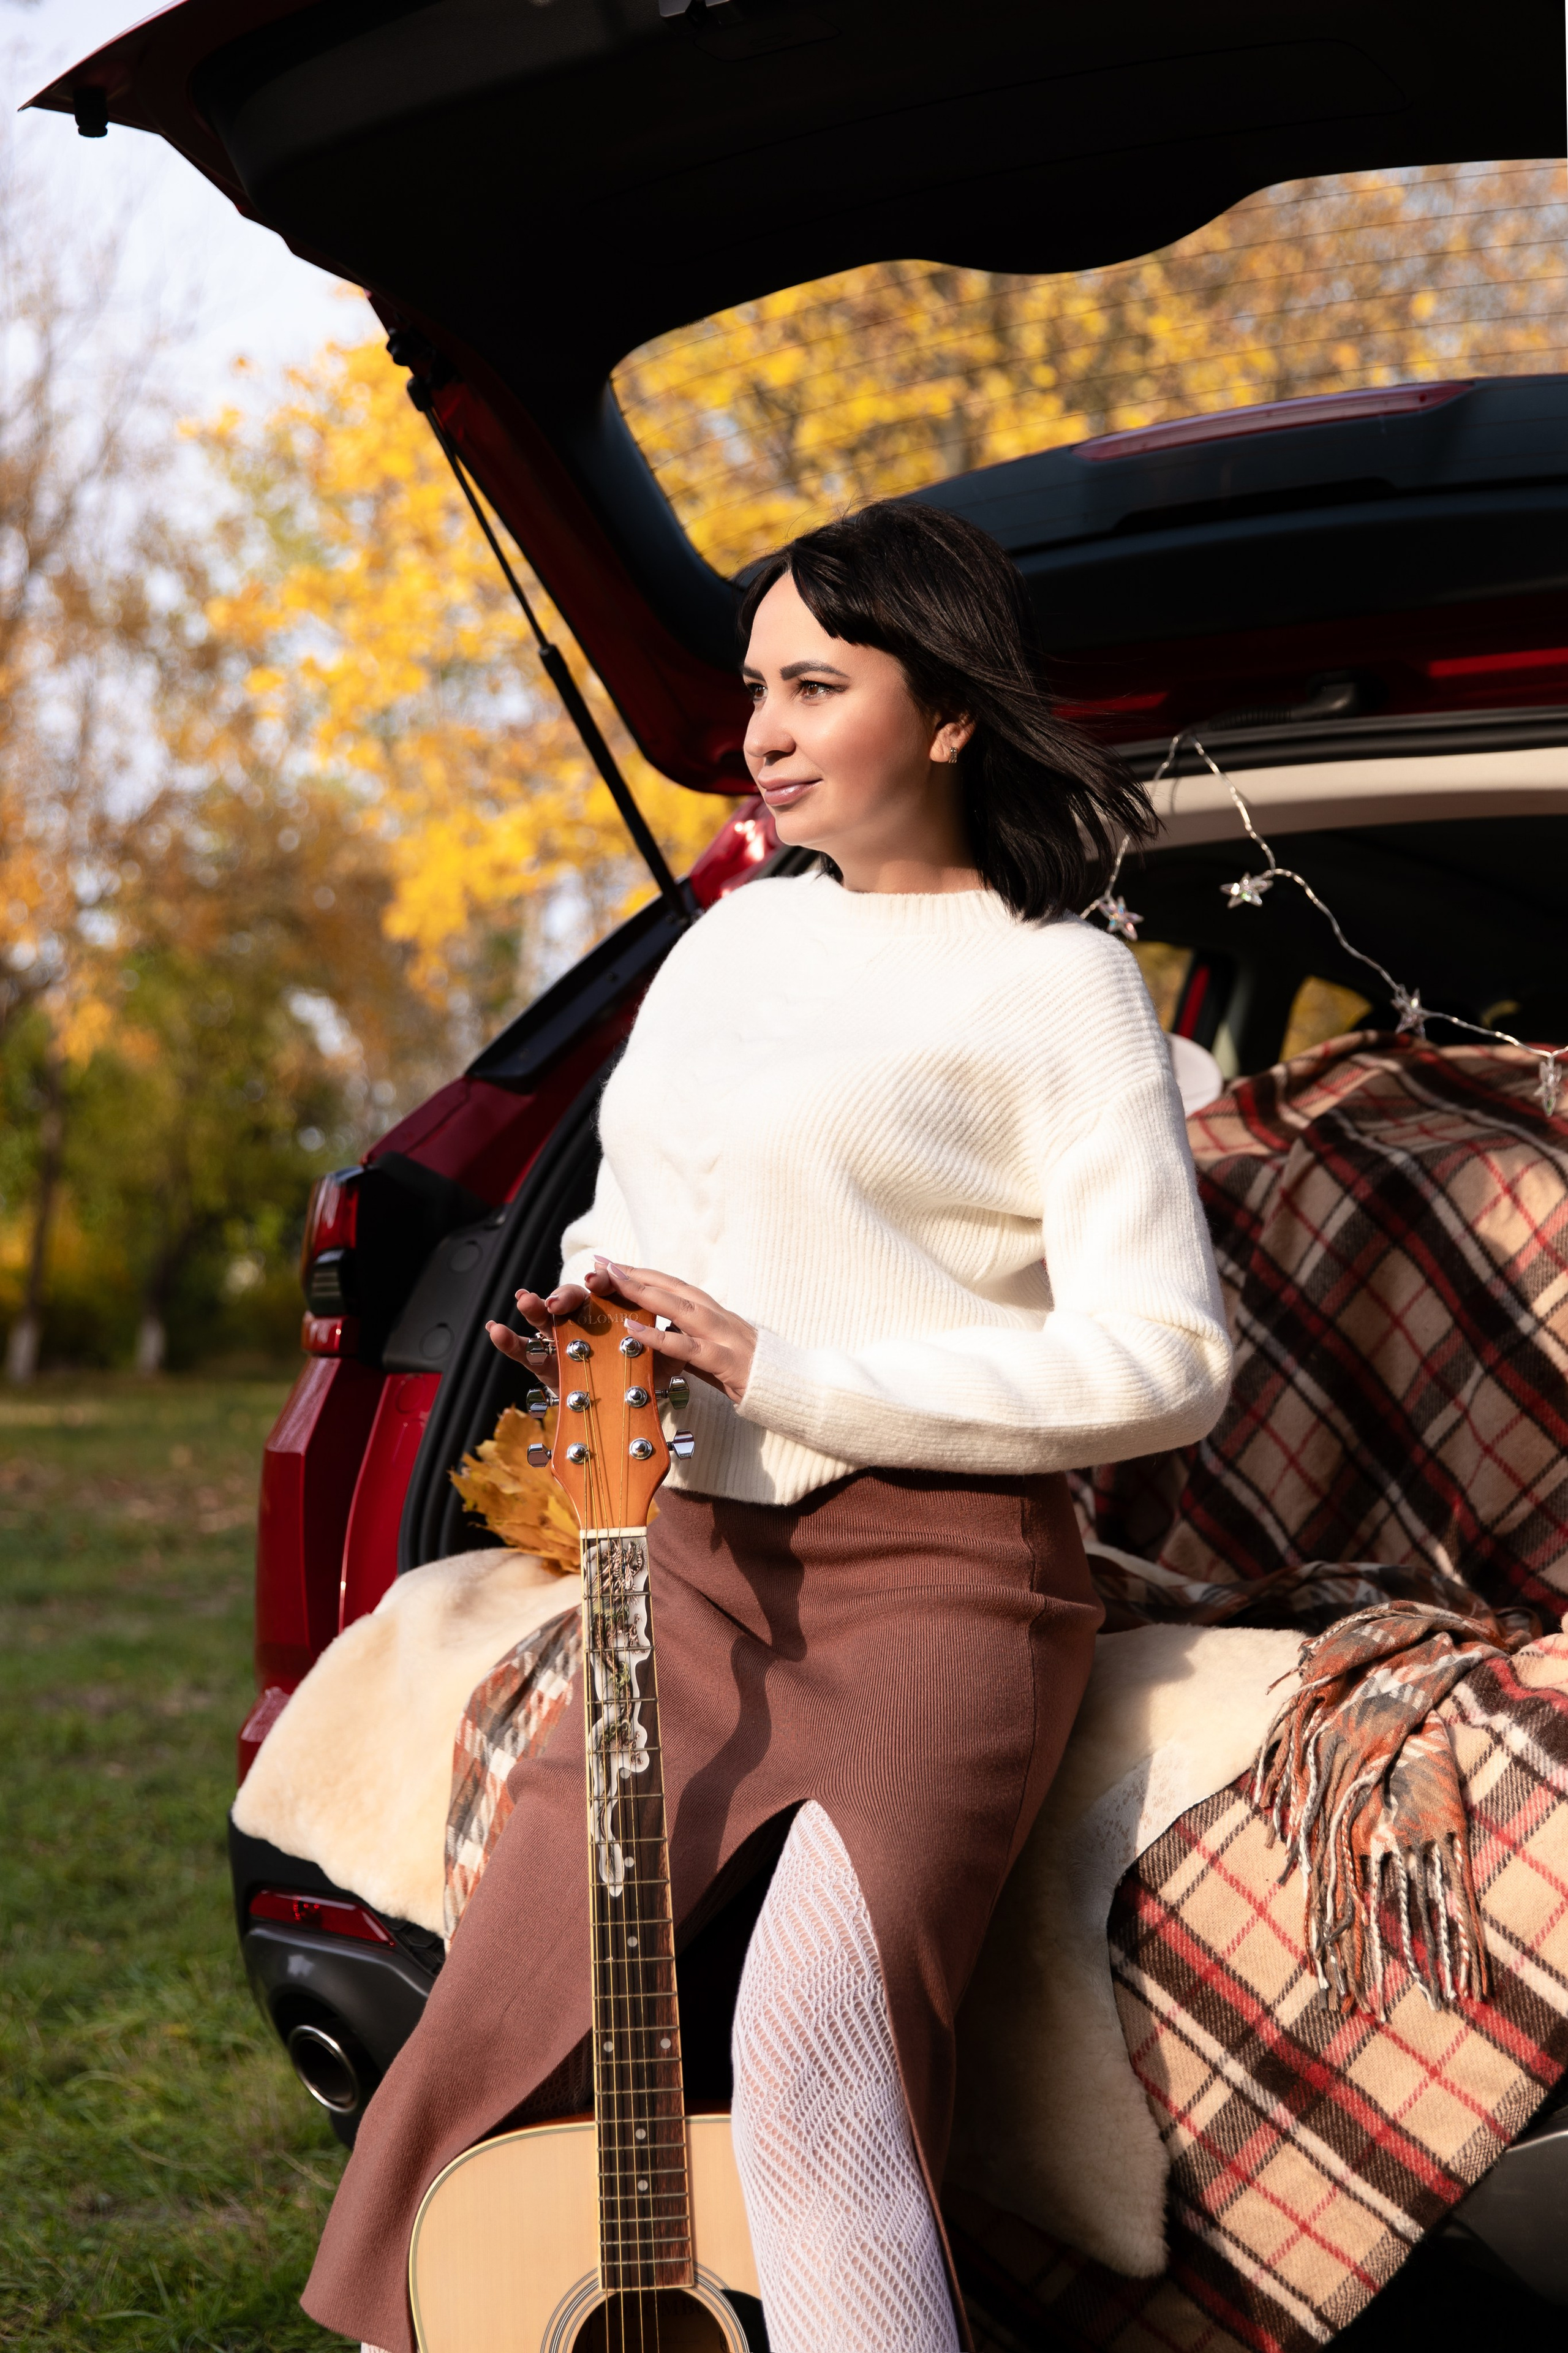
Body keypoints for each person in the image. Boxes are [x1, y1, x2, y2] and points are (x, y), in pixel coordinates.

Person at [303, 498, 1232, 2353]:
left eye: (819, 682)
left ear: (952, 710)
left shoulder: (1060, 989)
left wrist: (782, 1363)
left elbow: (1169, 1357)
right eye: (754, 688)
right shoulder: (725, 950)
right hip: (691, 1569)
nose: (767, 731)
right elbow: (632, 1214)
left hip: (947, 1589)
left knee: (816, 2065)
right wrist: (599, 1303)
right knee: (492, 2050)